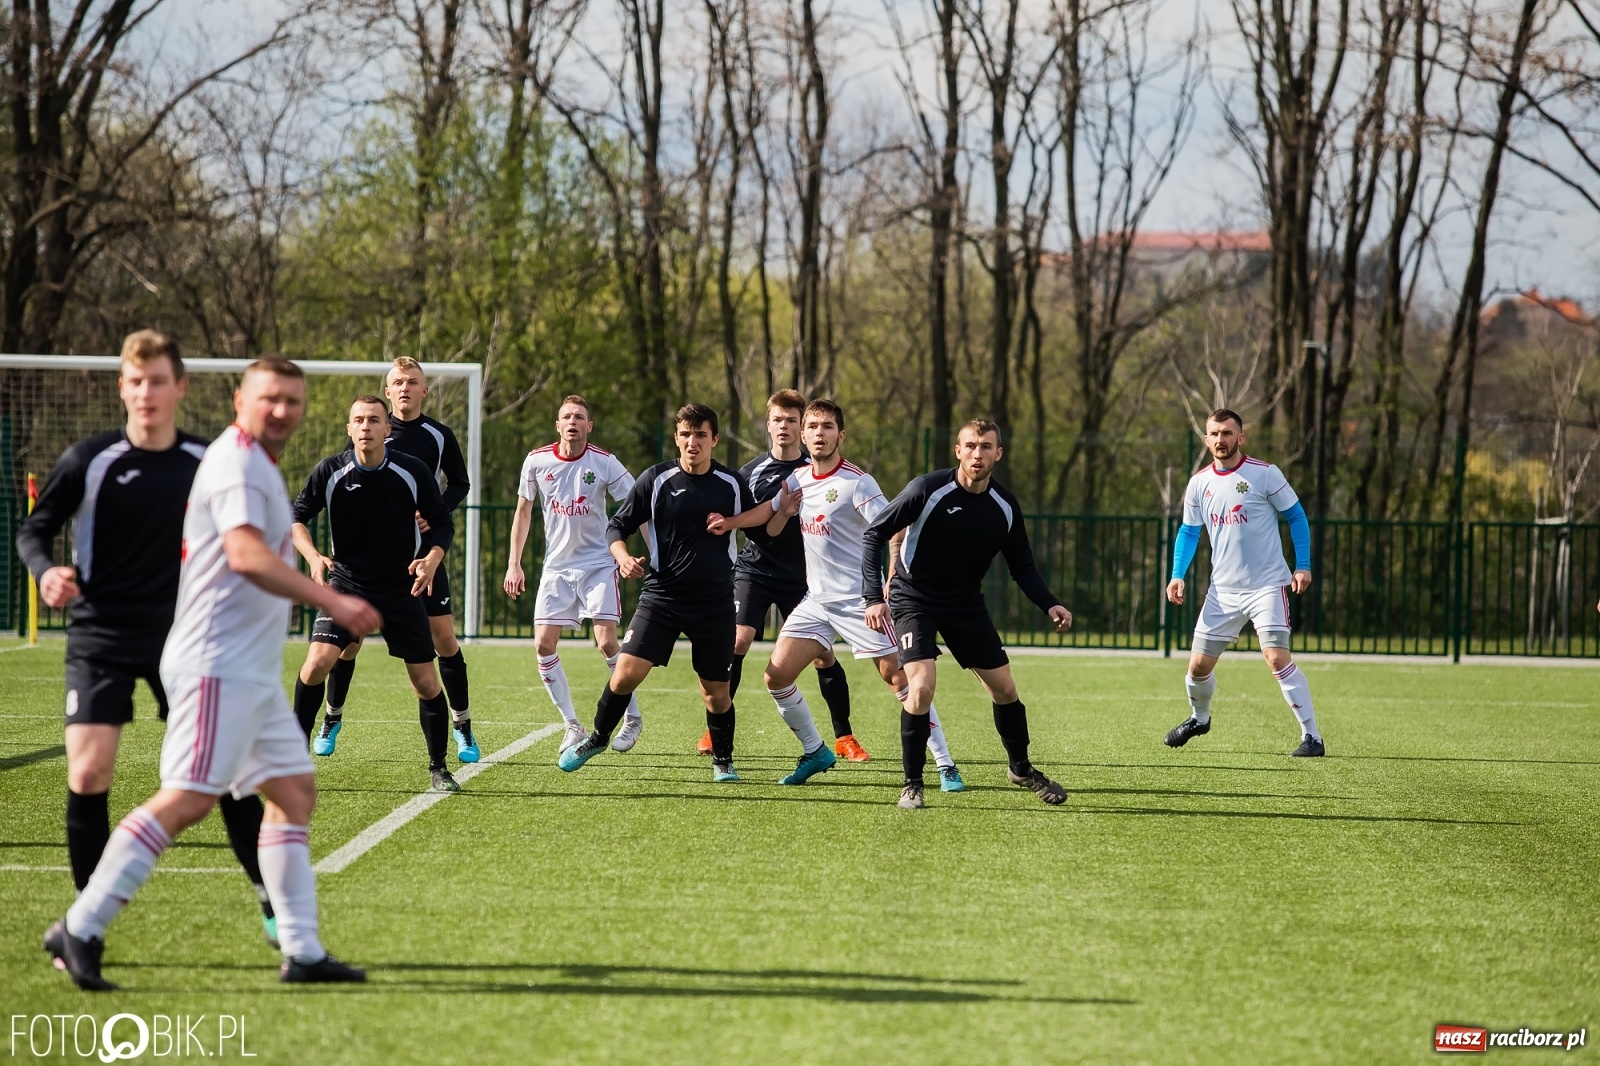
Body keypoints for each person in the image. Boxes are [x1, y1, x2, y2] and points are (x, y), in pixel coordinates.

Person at [44, 356, 380, 991]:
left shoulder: (258, 464)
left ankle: (303, 951)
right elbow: (245, 554)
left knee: (293, 792)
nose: (282, 409)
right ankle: (80, 926)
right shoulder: (236, 463)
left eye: (292, 399)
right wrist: (334, 601)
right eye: (269, 398)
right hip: (214, 666)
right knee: (191, 799)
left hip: (247, 672)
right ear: (238, 400)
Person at [17, 330, 280, 950]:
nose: (147, 393)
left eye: (158, 380)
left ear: (180, 387)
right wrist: (45, 570)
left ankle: (272, 903)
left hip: (184, 637)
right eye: (136, 382)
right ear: (122, 388)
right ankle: (87, 927)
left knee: (231, 775)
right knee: (88, 771)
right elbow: (36, 528)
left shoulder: (206, 459)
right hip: (100, 636)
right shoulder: (89, 459)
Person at [862, 419, 1074, 809]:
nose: (978, 454)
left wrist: (1051, 603)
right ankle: (912, 783)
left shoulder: (1005, 506)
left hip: (965, 604)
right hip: (915, 598)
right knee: (921, 686)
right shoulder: (926, 489)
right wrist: (872, 596)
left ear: (998, 453)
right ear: (958, 451)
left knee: (1005, 689)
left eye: (987, 447)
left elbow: (1022, 565)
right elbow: (875, 531)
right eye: (971, 446)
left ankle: (1021, 768)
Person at [759, 399, 965, 789]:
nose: (819, 433)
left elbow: (894, 528)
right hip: (816, 602)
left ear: (841, 435)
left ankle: (944, 764)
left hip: (859, 602)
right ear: (803, 435)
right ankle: (815, 751)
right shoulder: (797, 479)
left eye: (828, 427)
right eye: (813, 426)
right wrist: (732, 521)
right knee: (775, 676)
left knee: (900, 679)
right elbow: (767, 517)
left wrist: (887, 583)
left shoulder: (858, 482)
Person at [559, 404, 764, 782]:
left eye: (701, 435)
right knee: (624, 674)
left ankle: (723, 761)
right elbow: (617, 527)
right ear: (676, 437)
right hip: (663, 597)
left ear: (714, 440)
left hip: (715, 602)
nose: (693, 442)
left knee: (716, 691)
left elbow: (761, 518)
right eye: (686, 434)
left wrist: (738, 520)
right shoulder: (656, 479)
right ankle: (599, 737)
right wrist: (622, 559)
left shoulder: (732, 484)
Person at [289, 396, 461, 791]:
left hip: (401, 587)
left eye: (374, 420)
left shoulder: (411, 470)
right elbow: (297, 516)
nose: (365, 426)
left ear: (387, 430)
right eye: (358, 420)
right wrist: (313, 557)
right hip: (348, 585)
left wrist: (432, 557)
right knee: (316, 664)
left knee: (425, 682)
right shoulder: (330, 471)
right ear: (349, 429)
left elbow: (442, 522)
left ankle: (438, 767)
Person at [320, 358, 477, 760]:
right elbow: (344, 478)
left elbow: (460, 482)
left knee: (443, 639)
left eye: (413, 382)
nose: (405, 388)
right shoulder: (369, 428)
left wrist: (433, 510)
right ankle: (331, 717)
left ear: (425, 390)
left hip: (423, 557)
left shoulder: (438, 435)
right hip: (370, 567)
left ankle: (463, 727)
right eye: (398, 382)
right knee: (347, 643)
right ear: (387, 392)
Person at [695, 390, 866, 762]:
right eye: (778, 420)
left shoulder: (816, 468)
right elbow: (761, 531)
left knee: (822, 655)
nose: (784, 426)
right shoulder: (750, 474)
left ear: (801, 427)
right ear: (768, 425)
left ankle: (845, 737)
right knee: (738, 640)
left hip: (805, 577)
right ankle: (715, 728)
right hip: (755, 569)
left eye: (792, 420)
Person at [1164, 409, 1323, 756]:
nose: (1220, 439)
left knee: (1276, 658)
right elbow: (1189, 532)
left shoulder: (1265, 474)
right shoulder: (1199, 483)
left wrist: (1303, 565)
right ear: (1206, 440)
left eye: (1227, 432)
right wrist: (1177, 575)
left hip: (1267, 586)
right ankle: (1199, 718)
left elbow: (1296, 515)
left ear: (1241, 437)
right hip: (1223, 592)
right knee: (1197, 667)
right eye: (1214, 434)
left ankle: (1312, 737)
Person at [504, 395, 641, 753]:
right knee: (542, 644)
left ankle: (633, 717)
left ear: (589, 426)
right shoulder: (536, 461)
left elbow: (637, 503)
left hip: (598, 563)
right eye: (566, 416)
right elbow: (523, 512)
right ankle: (572, 724)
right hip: (556, 567)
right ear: (557, 425)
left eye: (579, 417)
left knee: (607, 641)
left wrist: (633, 552)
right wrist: (513, 563)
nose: (573, 422)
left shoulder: (605, 462)